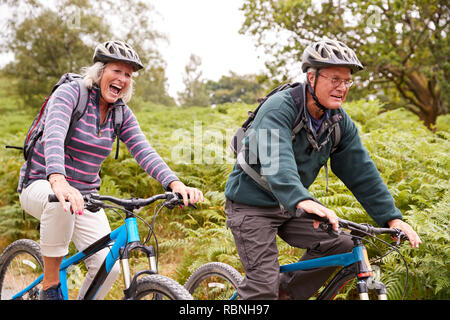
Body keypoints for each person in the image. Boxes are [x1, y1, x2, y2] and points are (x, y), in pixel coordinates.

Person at [224, 39, 421, 300]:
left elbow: (361, 172)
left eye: (347, 81)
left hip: (291, 205)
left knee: (342, 244)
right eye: (335, 79)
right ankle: (268, 292)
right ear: (311, 77)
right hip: (251, 206)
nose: (342, 88)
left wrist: (391, 218)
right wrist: (302, 199)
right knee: (262, 287)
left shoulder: (338, 121)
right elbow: (276, 162)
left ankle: (285, 293)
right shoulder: (279, 108)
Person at [18, 40, 204, 300]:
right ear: (100, 71)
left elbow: (144, 150)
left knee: (110, 268)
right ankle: (50, 287)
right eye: (117, 70)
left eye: (128, 74)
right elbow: (54, 136)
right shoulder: (71, 93)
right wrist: (58, 180)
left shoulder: (121, 113)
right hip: (42, 184)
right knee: (61, 204)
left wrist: (175, 184)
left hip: (86, 195)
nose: (123, 79)